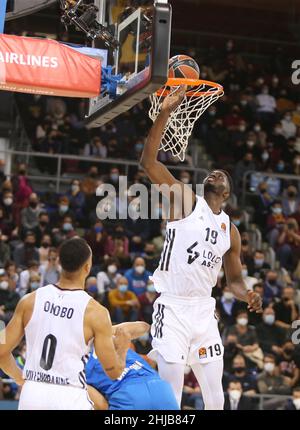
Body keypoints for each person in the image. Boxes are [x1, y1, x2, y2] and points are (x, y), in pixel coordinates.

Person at [139, 86, 262, 409]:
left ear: (227, 194)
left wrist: (246, 293)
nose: (215, 172)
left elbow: (233, 281)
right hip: (174, 307)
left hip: (204, 312)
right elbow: (148, 162)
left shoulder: (230, 232)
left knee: (216, 398)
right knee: (171, 397)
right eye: (212, 172)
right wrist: (165, 111)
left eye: (222, 175)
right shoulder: (186, 201)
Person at [0, 237, 130, 410]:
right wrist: (122, 348)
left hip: (32, 393)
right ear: (87, 267)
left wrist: (19, 378)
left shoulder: (29, 300)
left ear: (59, 262)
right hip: (69, 395)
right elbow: (113, 372)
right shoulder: (96, 312)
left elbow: (1, 351)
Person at [86, 322, 179, 410]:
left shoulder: (78, 364)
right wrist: (103, 332)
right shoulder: (112, 340)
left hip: (128, 395)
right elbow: (144, 326)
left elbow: (101, 405)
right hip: (160, 389)